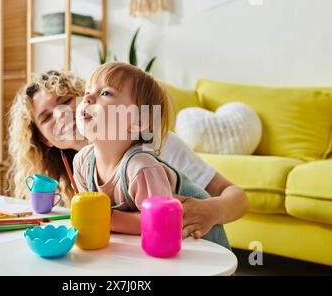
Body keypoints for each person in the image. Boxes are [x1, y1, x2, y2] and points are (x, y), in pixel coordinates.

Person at [8, 68, 249, 240]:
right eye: (47, 117)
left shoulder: (152, 145)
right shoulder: (81, 165)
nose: (60, 114)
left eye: (66, 99)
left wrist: (212, 210)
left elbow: (238, 197)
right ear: (45, 140)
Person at [73, 62, 239, 248]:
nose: (86, 97)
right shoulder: (82, 162)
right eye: (88, 90)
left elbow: (161, 224)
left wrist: (107, 218)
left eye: (105, 93)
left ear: (138, 121)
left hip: (204, 255)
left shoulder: (142, 168)